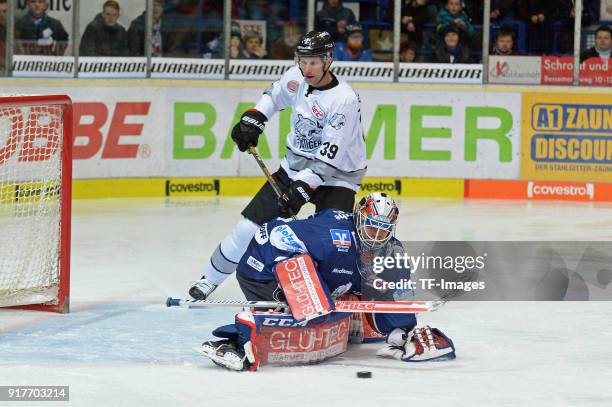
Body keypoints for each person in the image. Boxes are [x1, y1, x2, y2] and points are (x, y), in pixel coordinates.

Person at [188, 31, 367, 301]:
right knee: (247, 228)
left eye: (314, 63)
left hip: (338, 176)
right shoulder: (295, 76)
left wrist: (303, 187)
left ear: (328, 60)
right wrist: (255, 118)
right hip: (295, 167)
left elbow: (330, 156)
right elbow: (273, 97)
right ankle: (209, 279)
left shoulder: (344, 99)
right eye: (303, 61)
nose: (307, 69)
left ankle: (341, 294)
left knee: (335, 242)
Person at [197, 193, 456, 371]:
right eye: (370, 228)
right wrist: (312, 294)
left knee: (343, 311)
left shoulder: (391, 252)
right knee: (315, 315)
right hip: (263, 269)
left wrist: (403, 331)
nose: (376, 237)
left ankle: (323, 308)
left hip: (323, 277)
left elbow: (393, 294)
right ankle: (236, 342)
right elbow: (275, 234)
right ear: (358, 220)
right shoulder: (333, 235)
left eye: (383, 230)